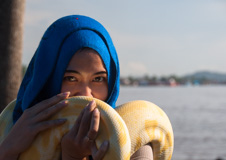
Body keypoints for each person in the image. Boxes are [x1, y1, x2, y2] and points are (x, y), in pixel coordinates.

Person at [0, 15, 153, 160]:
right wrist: (6, 151)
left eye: (98, 79)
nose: (86, 94)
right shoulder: (11, 133)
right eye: (71, 78)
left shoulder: (136, 141)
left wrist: (74, 157)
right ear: (47, 81)